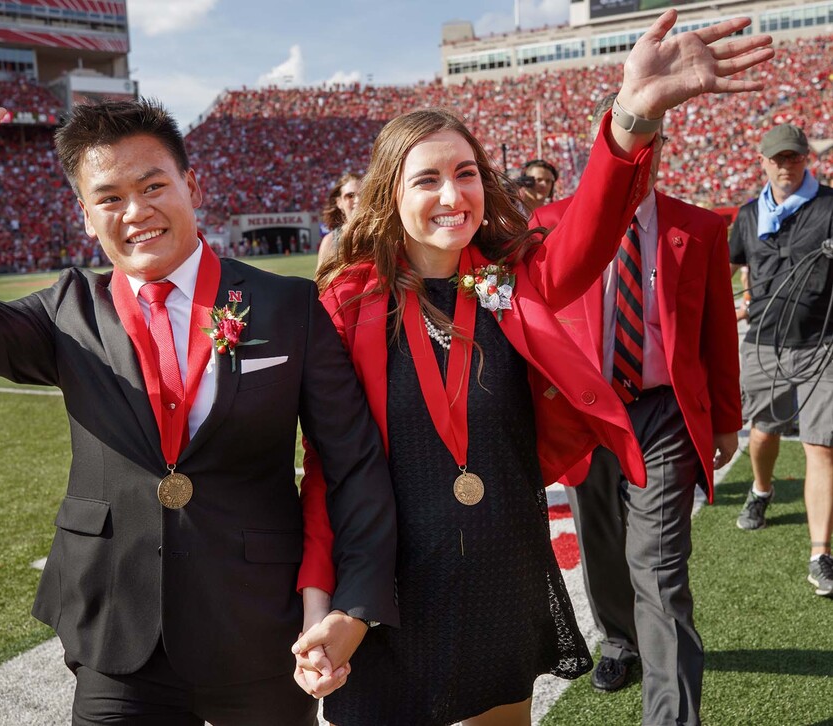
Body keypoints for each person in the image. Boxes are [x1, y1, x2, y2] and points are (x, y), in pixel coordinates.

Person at [0, 39, 399, 725]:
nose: (135, 210)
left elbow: (353, 465)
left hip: (261, 625)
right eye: (108, 197)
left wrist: (352, 603)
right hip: (117, 631)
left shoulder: (287, 306)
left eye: (152, 186)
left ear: (191, 188)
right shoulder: (68, 311)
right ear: (86, 217)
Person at [291, 11, 771, 725]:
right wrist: (319, 605)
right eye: (427, 180)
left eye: (466, 174)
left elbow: (591, 233)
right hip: (388, 586)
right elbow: (328, 476)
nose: (452, 196)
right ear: (390, 193)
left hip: (502, 573)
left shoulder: (513, 284)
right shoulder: (344, 308)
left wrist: (631, 115)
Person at [531, 92, 742, 724]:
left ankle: (671, 717)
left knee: (660, 567)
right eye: (631, 136)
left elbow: (716, 334)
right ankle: (618, 640)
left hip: (662, 412)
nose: (643, 153)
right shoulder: (548, 225)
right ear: (606, 146)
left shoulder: (697, 227)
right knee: (599, 541)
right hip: (583, 411)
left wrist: (726, 417)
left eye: (655, 138)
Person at [730, 123, 833, 598]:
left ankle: (820, 555)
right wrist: (729, 303)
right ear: (763, 162)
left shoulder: (831, 206)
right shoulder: (749, 215)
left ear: (805, 158)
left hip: (822, 343)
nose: (785, 166)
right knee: (764, 431)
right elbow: (727, 267)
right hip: (764, 343)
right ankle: (762, 490)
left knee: (821, 446)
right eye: (777, 158)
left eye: (792, 158)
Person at [315, 172, 361, 271]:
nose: (358, 200)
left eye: (363, 194)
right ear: (339, 202)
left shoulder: (384, 236)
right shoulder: (330, 242)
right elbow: (320, 284)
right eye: (350, 196)